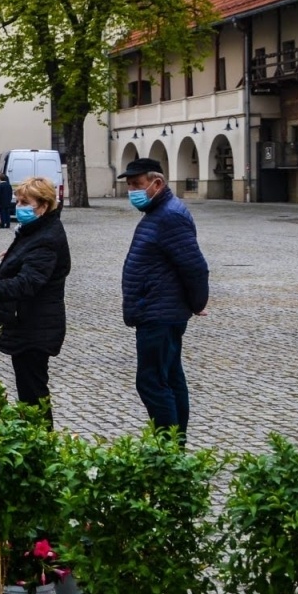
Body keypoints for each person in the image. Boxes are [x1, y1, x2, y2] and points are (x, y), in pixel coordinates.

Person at [0, 177, 70, 424]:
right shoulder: (37, 230)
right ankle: (36, 443)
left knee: (34, 395)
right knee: (30, 393)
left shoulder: (46, 239)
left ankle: (40, 446)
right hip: (28, 325)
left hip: (35, 328)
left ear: (43, 206)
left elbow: (27, 283)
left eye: (25, 202)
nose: (19, 206)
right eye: (17, 201)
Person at [119, 157, 209, 441]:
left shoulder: (169, 215)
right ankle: (174, 447)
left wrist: (197, 303)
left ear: (156, 183)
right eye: (129, 185)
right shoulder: (158, 213)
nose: (132, 191)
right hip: (157, 309)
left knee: (152, 382)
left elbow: (194, 266)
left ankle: (169, 449)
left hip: (159, 313)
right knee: (169, 377)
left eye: (137, 184)